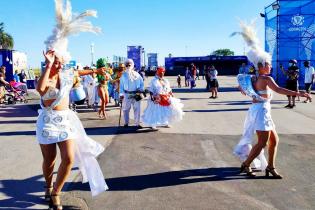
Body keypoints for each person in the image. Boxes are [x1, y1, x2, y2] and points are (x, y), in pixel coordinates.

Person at [37, 1, 106, 209]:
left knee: (68, 158)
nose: (58, 64)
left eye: (59, 60)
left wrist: (95, 72)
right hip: (48, 123)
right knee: (49, 161)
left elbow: (80, 72)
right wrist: (49, 65)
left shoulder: (68, 74)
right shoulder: (46, 77)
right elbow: (41, 89)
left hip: (66, 121)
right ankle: (48, 187)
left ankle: (56, 192)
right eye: (54, 61)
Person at [234, 21, 311, 179]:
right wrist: (300, 93)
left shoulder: (252, 77)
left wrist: (244, 90)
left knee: (274, 141)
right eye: (268, 64)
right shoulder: (266, 78)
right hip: (261, 112)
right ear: (261, 65)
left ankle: (270, 166)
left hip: (260, 111)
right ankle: (246, 164)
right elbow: (279, 90)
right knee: (262, 142)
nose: (270, 66)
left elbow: (243, 89)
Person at [119, 59, 144, 128]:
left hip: (136, 94)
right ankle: (126, 123)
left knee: (137, 109)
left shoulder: (137, 74)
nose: (128, 66)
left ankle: (137, 123)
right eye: (126, 65)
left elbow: (142, 84)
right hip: (127, 94)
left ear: (132, 65)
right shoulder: (123, 75)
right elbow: (121, 87)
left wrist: (140, 90)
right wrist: (121, 95)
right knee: (126, 109)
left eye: (129, 65)